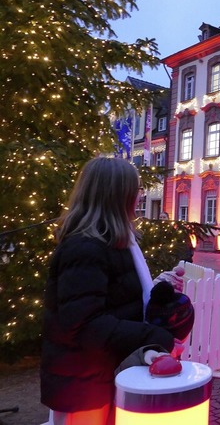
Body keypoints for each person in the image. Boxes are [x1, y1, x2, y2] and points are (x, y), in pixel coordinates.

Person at [40, 157, 176, 425]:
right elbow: (84, 324)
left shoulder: (113, 241)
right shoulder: (85, 248)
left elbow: (116, 300)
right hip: (84, 385)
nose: (140, 196)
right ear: (117, 196)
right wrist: (151, 335)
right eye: (135, 190)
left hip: (100, 374)